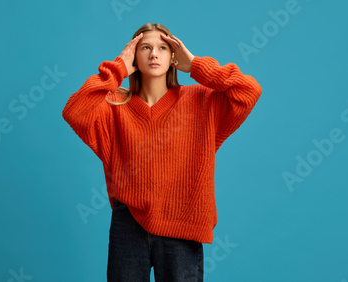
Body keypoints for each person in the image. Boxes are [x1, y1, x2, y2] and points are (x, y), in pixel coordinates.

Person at [62, 22, 262, 282]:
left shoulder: (202, 101)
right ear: (134, 54)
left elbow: (248, 91)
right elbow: (74, 111)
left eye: (162, 48)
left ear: (173, 56)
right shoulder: (114, 106)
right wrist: (117, 69)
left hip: (183, 223)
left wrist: (196, 66)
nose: (154, 54)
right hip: (129, 223)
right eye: (145, 47)